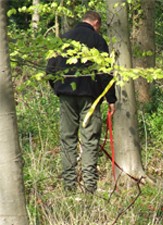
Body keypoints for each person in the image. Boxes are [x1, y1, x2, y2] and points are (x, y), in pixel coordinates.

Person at [46, 11, 117, 193]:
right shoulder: (98, 40)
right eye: (99, 26)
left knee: (67, 140)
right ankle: (89, 189)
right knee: (90, 141)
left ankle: (69, 187)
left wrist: (58, 89)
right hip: (90, 98)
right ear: (96, 23)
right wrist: (111, 99)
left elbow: (50, 69)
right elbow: (105, 72)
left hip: (66, 96)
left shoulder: (63, 38)